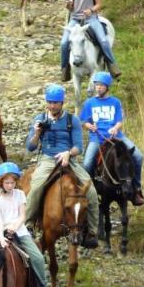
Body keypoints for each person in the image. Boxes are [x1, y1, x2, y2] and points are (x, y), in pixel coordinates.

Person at [23, 83, 100, 247]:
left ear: (62, 103)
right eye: (50, 102)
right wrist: (37, 133)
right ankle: (28, 224)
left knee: (91, 191)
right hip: (48, 158)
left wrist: (68, 153)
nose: (52, 106)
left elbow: (78, 147)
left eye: (55, 103)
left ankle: (92, 231)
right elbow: (30, 147)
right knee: (36, 187)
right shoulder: (39, 119)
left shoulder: (73, 120)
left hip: (68, 159)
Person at [79, 72, 144, 206]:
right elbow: (84, 121)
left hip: (116, 137)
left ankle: (136, 189)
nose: (98, 88)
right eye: (96, 85)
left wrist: (115, 128)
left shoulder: (115, 102)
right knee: (87, 164)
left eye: (101, 86)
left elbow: (119, 121)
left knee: (138, 156)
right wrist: (89, 126)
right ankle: (88, 193)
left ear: (107, 87)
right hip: (97, 137)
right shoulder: (89, 103)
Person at [60, 0, 120, 81]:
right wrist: (68, 4)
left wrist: (91, 10)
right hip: (75, 19)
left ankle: (112, 65)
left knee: (103, 41)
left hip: (91, 18)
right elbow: (67, 2)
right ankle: (65, 68)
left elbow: (99, 4)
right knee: (64, 43)